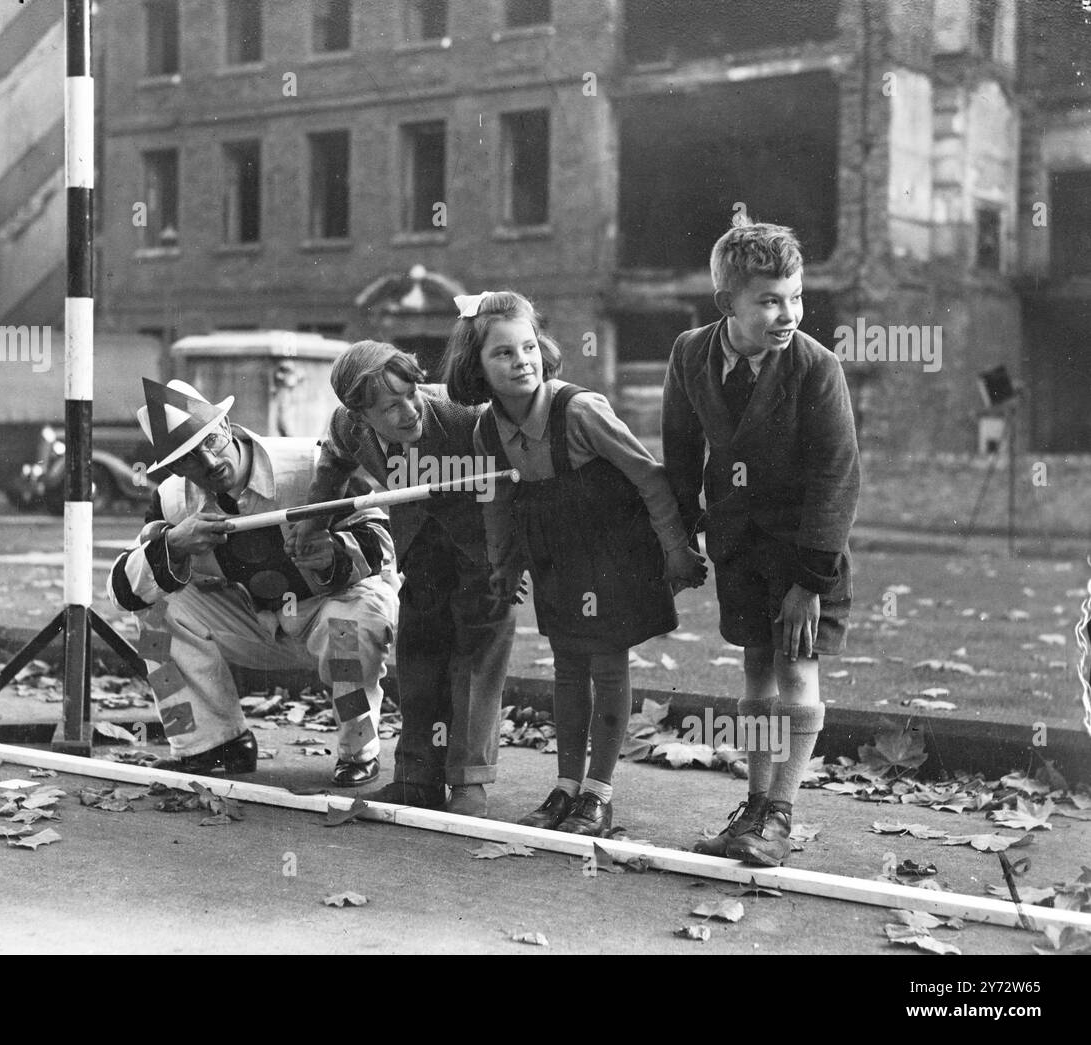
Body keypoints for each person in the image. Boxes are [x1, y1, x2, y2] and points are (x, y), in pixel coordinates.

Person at [444, 291, 707, 837]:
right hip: (555, 557)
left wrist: (677, 549)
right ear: (476, 368)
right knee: (566, 668)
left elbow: (649, 478)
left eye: (528, 347)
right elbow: (498, 501)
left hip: (613, 552)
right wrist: (503, 565)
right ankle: (566, 786)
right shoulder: (485, 430)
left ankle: (598, 793)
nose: (521, 361)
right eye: (503, 354)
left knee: (607, 665)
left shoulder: (581, 411)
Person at [662, 219, 860, 866]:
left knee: (797, 667)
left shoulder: (816, 367)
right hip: (739, 542)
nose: (788, 313)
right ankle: (752, 805)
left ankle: (780, 813)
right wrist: (682, 534)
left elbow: (837, 476)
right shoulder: (690, 353)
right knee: (754, 670)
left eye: (796, 297)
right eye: (770, 300)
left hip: (805, 547)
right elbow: (682, 450)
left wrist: (810, 581)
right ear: (728, 304)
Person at [106, 377, 400, 787]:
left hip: (325, 613)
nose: (209, 463)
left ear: (225, 427)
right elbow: (123, 592)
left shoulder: (312, 464)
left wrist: (336, 551)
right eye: (190, 458)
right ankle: (211, 743)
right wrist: (173, 545)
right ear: (173, 468)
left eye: (210, 442)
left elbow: (385, 546)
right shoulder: (172, 500)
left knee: (356, 620)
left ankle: (359, 747)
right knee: (155, 607)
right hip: (250, 623)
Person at [291, 341, 517, 817]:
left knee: (473, 662)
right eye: (390, 407)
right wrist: (313, 525)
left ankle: (468, 784)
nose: (410, 410)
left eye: (411, 393)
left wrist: (509, 558)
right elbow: (333, 463)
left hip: (484, 549)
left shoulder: (464, 416)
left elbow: (517, 481)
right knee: (419, 660)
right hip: (420, 546)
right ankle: (417, 779)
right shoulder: (347, 426)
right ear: (360, 413)